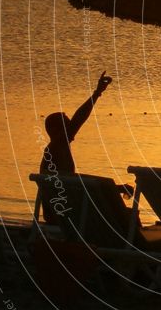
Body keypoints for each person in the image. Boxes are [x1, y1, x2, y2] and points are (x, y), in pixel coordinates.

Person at [39, 71, 131, 222]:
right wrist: (97, 93)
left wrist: (115, 188)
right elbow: (79, 119)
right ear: (56, 130)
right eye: (66, 124)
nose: (71, 126)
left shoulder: (60, 149)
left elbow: (77, 186)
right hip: (63, 216)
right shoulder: (55, 149)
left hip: (64, 211)